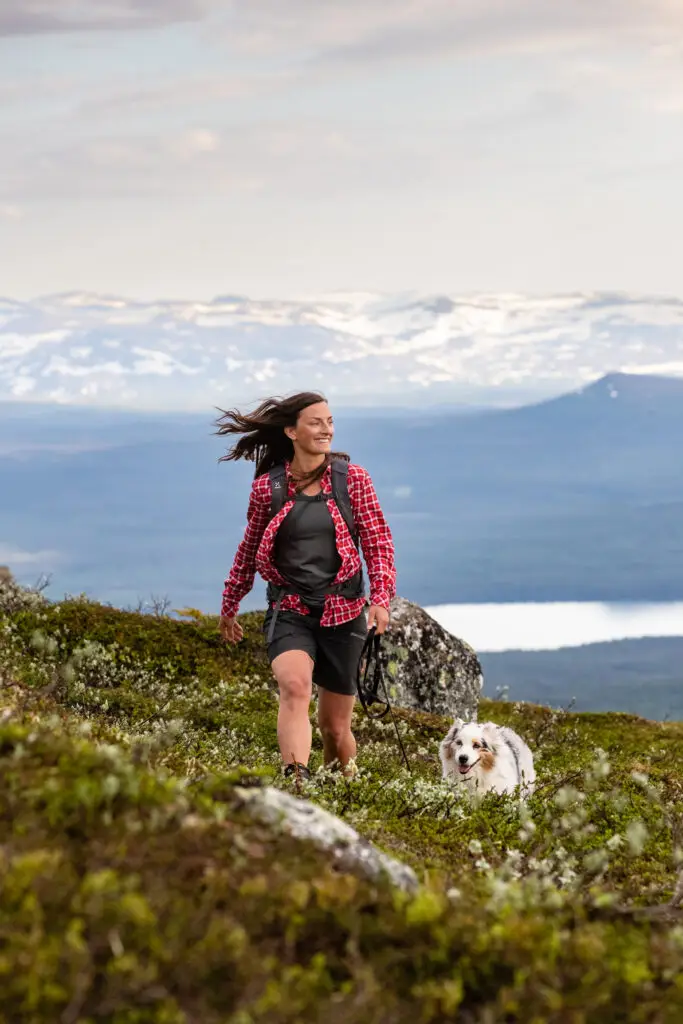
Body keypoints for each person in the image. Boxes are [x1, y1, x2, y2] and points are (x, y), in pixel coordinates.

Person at [216, 391, 396, 783]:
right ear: (291, 431)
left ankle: (344, 792)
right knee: (295, 686)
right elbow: (249, 546)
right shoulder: (268, 487)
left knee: (335, 729)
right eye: (315, 422)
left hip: (344, 613)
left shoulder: (354, 480)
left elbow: (378, 542)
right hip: (290, 609)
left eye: (329, 422)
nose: (326, 429)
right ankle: (297, 778)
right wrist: (231, 602)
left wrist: (381, 598)